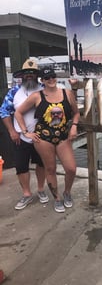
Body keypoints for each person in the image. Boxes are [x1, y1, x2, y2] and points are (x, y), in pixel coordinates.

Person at [15, 68, 80, 213]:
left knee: (71, 168)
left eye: (53, 76)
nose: (51, 79)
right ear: (42, 81)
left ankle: (67, 193)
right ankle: (57, 198)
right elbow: (18, 112)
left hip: (63, 136)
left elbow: (76, 113)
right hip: (43, 138)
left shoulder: (67, 93)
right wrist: (26, 132)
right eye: (47, 78)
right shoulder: (36, 96)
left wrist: (74, 127)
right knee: (50, 169)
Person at [0, 59, 49, 210]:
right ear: (21, 75)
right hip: (20, 137)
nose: (29, 76)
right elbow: (4, 112)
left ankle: (41, 189)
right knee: (21, 167)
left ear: (37, 75)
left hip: (41, 136)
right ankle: (27, 194)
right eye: (26, 73)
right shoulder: (14, 92)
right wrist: (12, 131)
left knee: (41, 164)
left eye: (33, 73)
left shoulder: (44, 89)